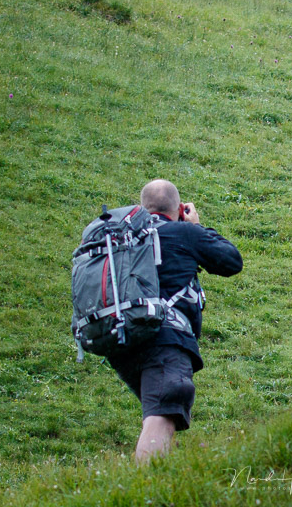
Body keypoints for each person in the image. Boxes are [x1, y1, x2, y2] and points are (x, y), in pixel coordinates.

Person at [108, 179, 242, 464]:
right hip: (164, 339)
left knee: (161, 407)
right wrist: (194, 227)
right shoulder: (183, 232)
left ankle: (160, 480)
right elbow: (231, 261)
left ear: (143, 208)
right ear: (180, 208)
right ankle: (145, 491)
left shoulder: (125, 237)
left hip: (121, 340)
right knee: (163, 413)